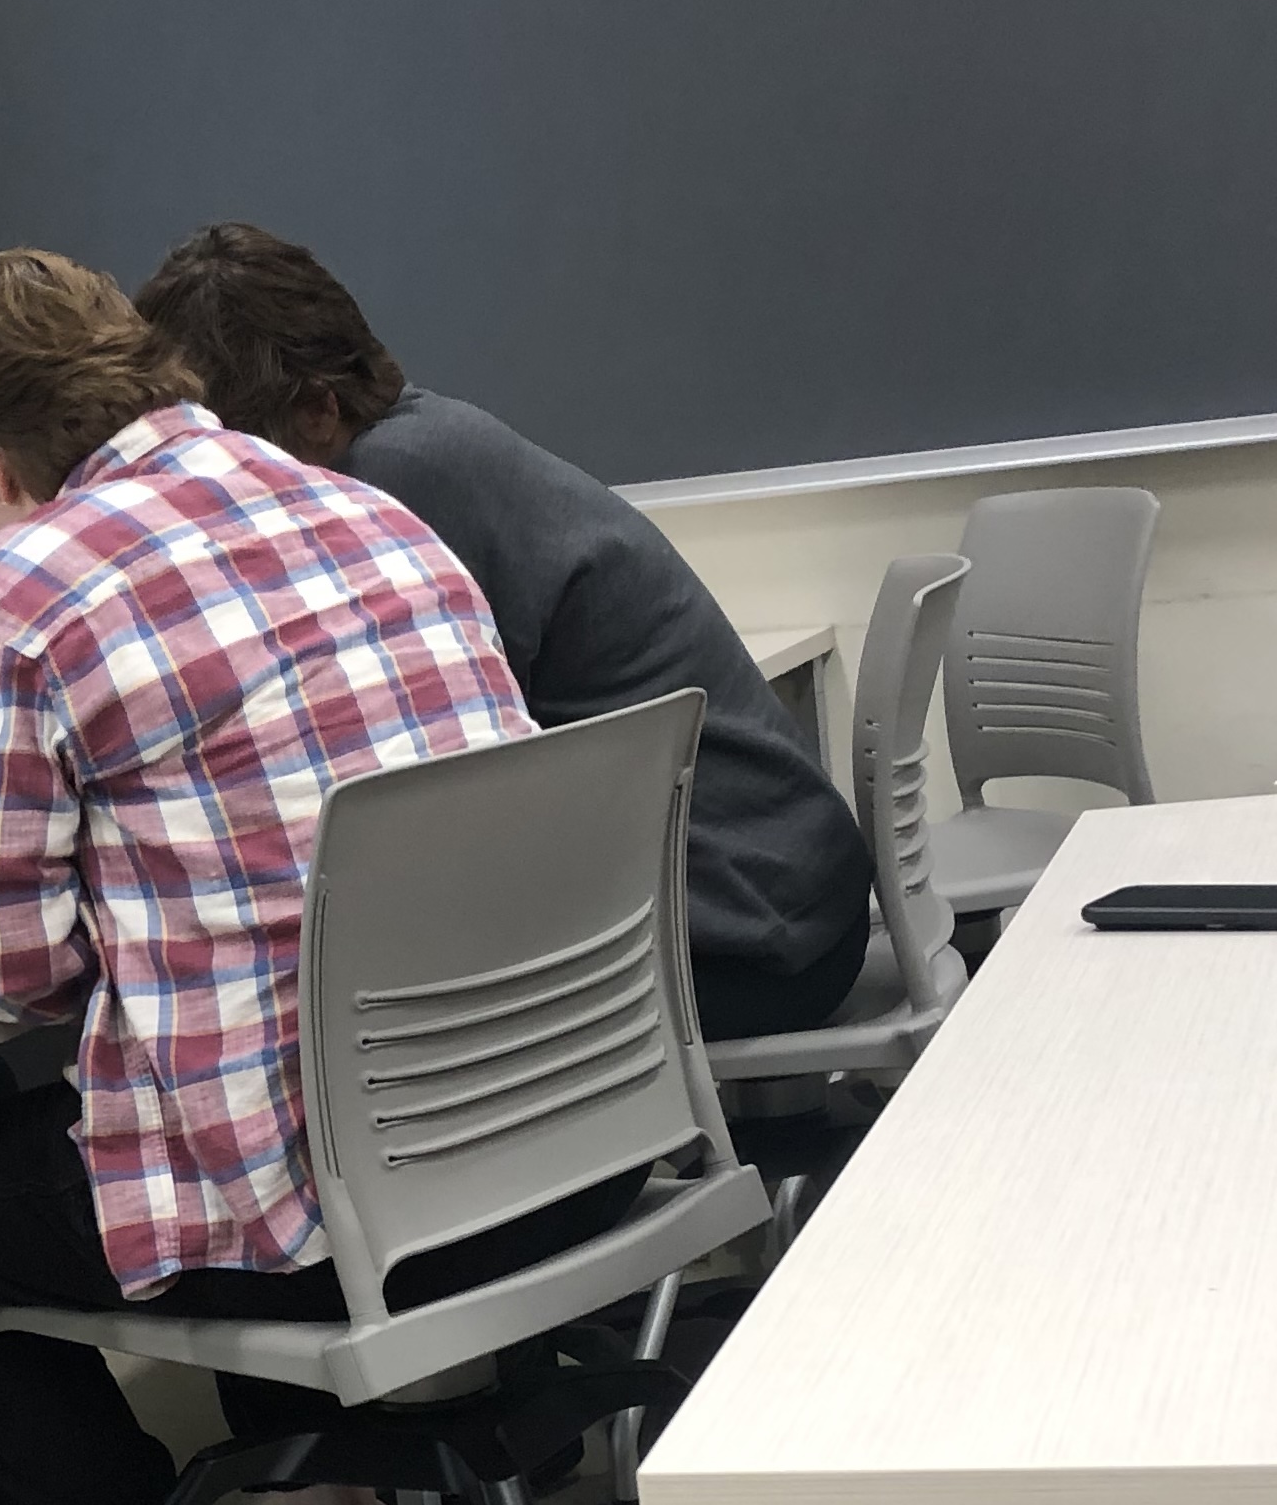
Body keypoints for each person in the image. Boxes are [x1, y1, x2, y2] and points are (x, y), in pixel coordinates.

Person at [0, 249, 619, 1505]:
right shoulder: (363, 504)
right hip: (561, 1146)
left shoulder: (21, 588)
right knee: (218, 1083)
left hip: (353, 1223)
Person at [135, 223, 874, 1043]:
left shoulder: (395, 489)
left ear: (317, 409)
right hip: (784, 900)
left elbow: (396, 771)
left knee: (336, 1027)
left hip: (743, 945)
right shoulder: (430, 438)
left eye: (229, 445)